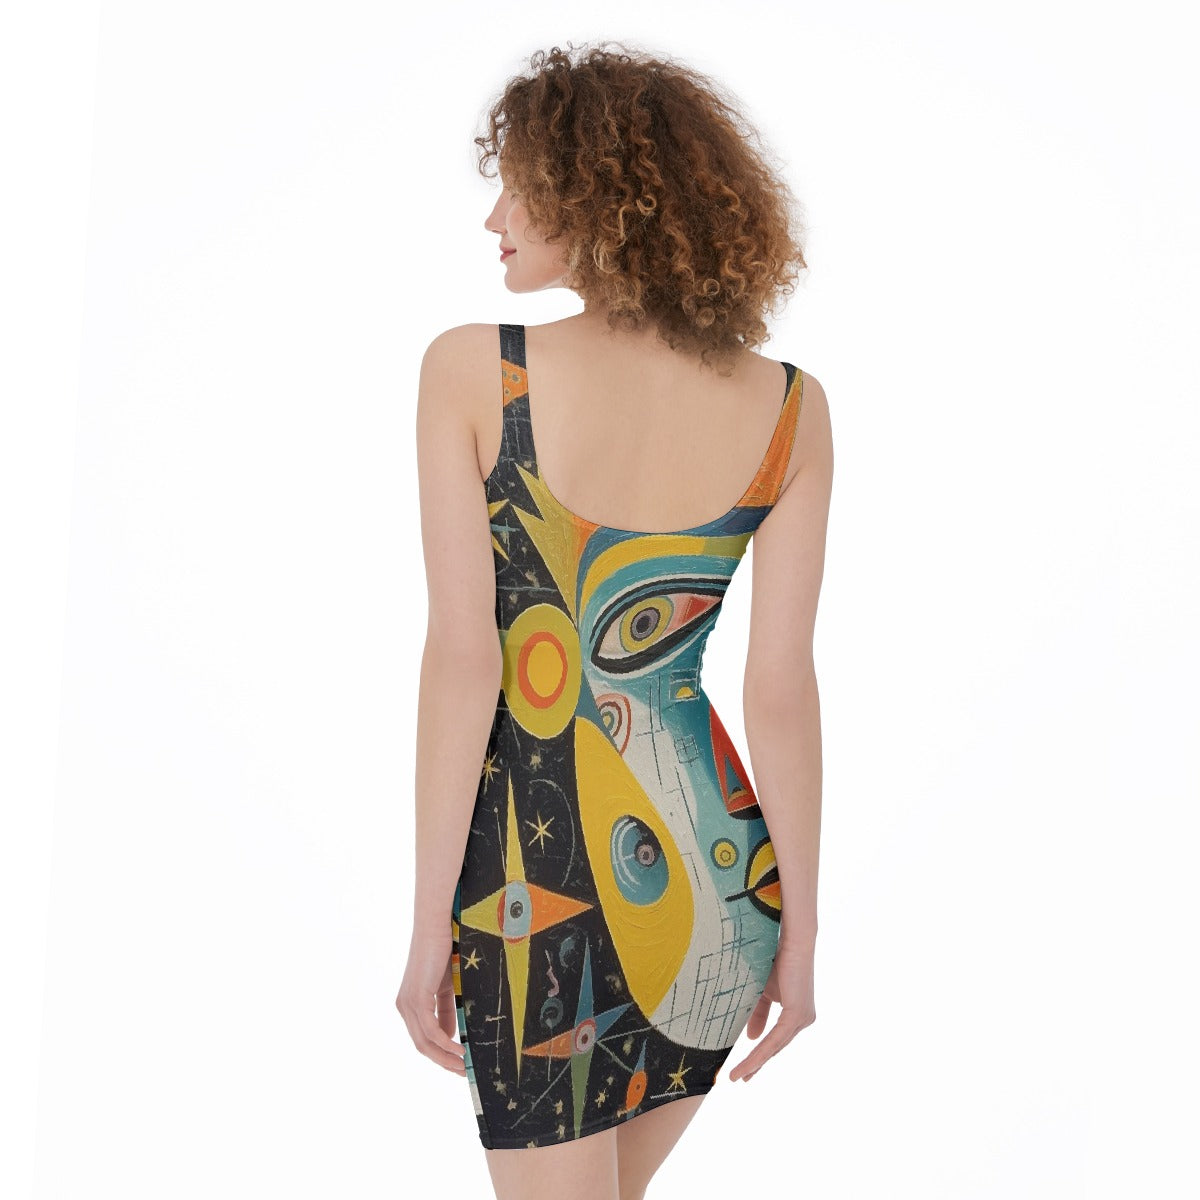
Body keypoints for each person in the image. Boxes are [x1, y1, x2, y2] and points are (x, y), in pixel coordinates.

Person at [397, 41, 833, 1200]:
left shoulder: (475, 374)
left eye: (520, 187)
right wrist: (800, 933)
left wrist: (431, 923)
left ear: (600, 197)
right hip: (724, 886)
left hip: (531, 893)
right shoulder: (790, 408)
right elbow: (780, 690)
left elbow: (465, 663)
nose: (494, 218)